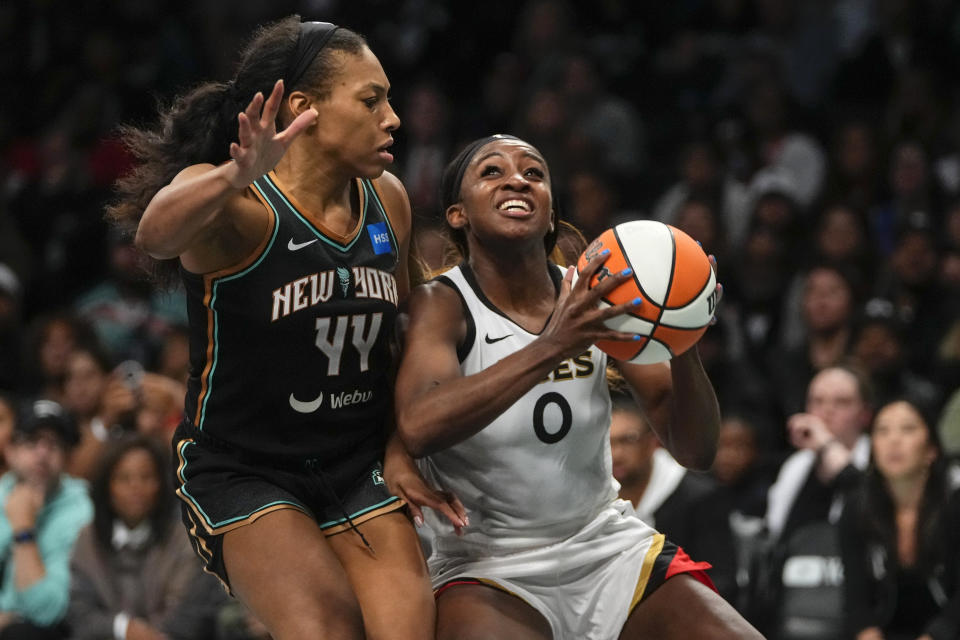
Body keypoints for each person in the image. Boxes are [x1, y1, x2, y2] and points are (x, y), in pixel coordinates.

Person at [109, 15, 462, 640]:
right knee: (329, 629)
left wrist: (401, 450)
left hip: (354, 463)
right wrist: (230, 177)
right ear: (305, 108)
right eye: (370, 100)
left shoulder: (391, 200)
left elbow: (403, 341)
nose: (393, 118)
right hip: (242, 469)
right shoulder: (237, 204)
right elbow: (154, 235)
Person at [394, 134, 762, 639]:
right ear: (457, 214)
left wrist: (683, 340)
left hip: (604, 544)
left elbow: (696, 451)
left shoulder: (598, 296)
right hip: (488, 565)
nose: (517, 179)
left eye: (534, 172)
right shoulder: (442, 303)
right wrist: (554, 344)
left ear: (549, 215)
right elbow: (418, 425)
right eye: (492, 172)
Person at [68, 435, 222, 640]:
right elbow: (79, 615)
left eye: (146, 477)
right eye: (123, 479)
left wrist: (147, 635)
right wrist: (124, 628)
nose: (135, 488)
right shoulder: (88, 539)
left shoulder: (185, 538)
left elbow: (189, 615)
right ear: (107, 486)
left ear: (161, 483)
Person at [839, 399, 960, 640]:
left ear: (931, 450)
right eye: (882, 431)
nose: (894, 440)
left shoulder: (955, 504)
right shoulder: (856, 507)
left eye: (908, 429)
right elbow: (856, 599)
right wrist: (867, 634)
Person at [609, 392, 738, 605]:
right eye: (608, 442)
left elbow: (721, 581)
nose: (616, 454)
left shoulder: (699, 497)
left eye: (628, 440)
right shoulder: (594, 497)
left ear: (652, 443)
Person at [0, 399, 92, 640]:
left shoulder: (82, 511)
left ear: (68, 458)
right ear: (11, 451)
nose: (42, 453)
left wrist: (23, 529)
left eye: (54, 445)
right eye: (32, 441)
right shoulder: (2, 491)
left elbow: (47, 613)